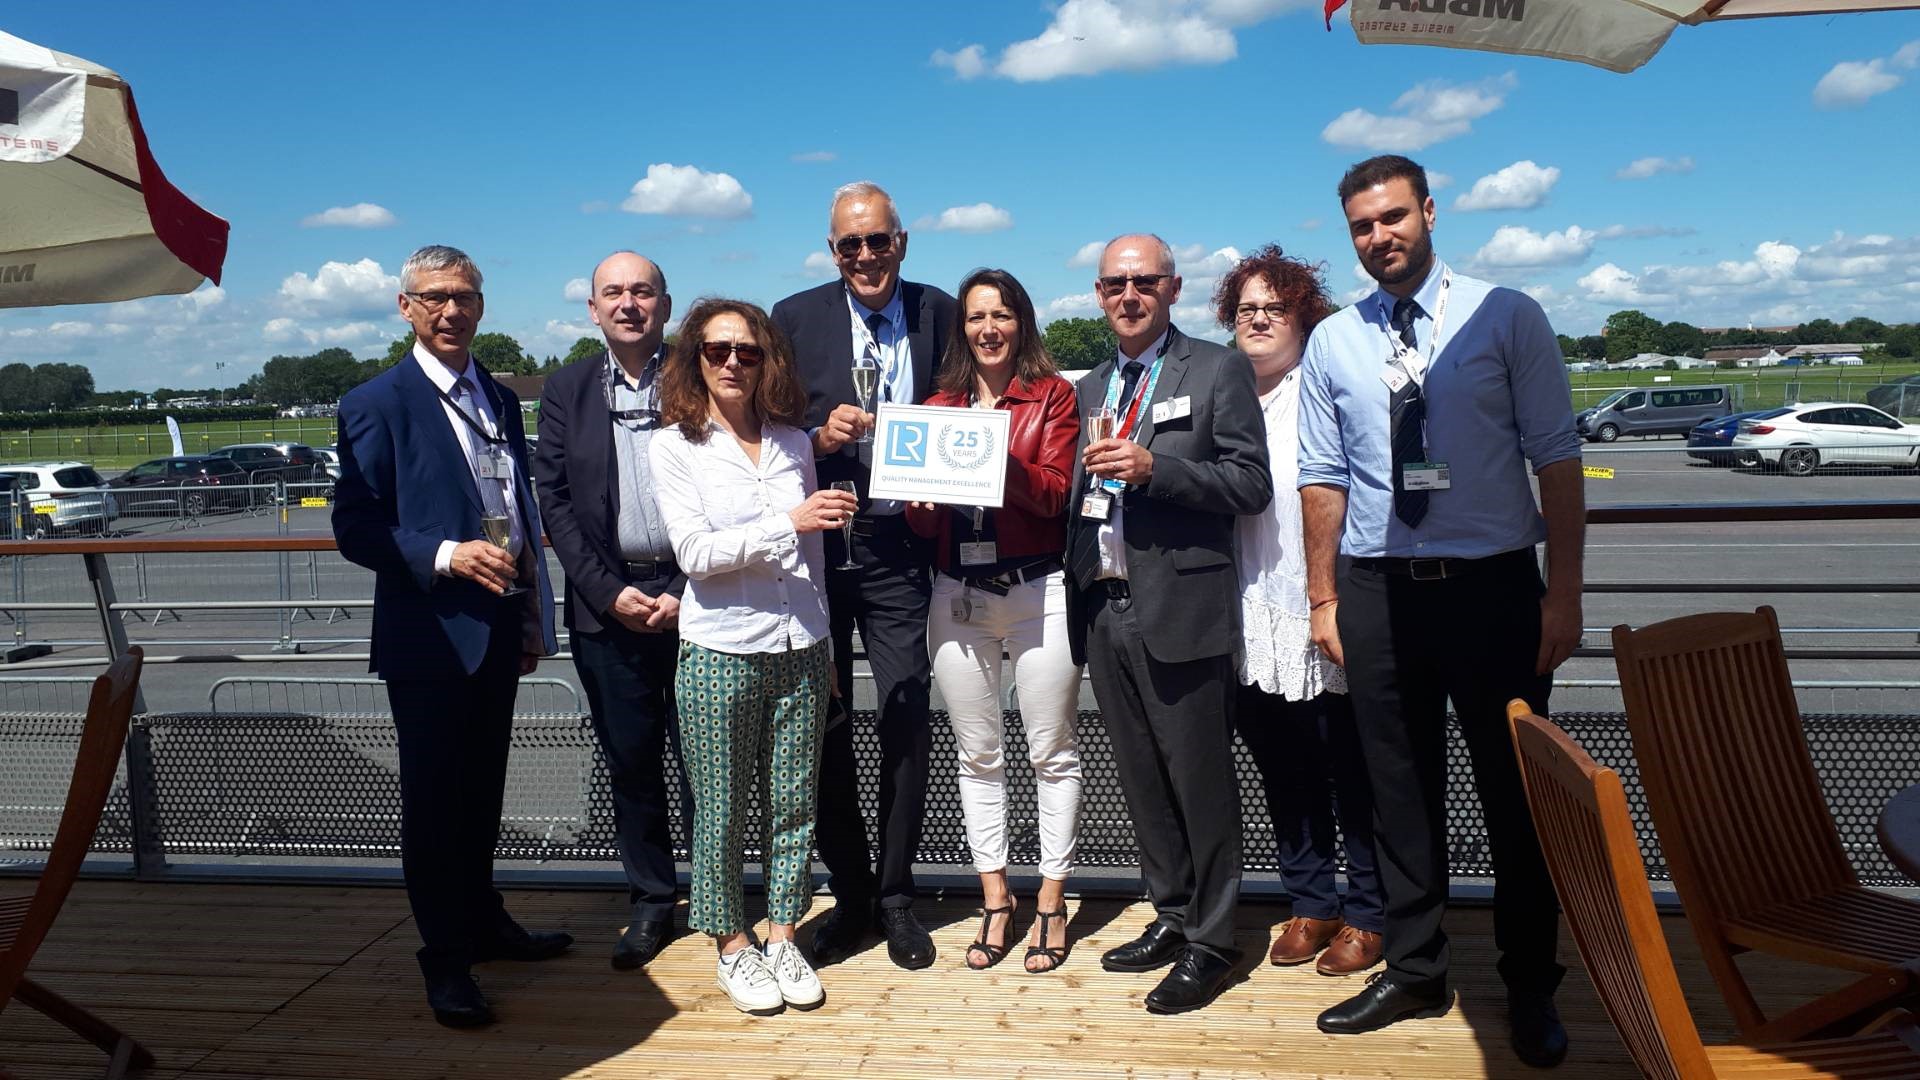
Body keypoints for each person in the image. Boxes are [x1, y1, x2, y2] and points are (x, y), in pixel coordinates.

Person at [1299, 155, 1584, 1069]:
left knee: (1518, 798)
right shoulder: (1334, 340)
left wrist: (1565, 592)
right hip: (1378, 591)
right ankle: (1417, 969)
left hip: (1494, 590)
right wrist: (1322, 597)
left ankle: (1531, 983)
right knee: (1399, 796)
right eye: (1362, 226)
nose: (1379, 236)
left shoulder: (1506, 316)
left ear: (1428, 211)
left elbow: (1558, 458)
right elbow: (1321, 479)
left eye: (1393, 217)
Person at [333, 244, 565, 1029]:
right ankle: (445, 958)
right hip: (429, 636)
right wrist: (444, 555)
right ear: (406, 307)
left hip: (496, 625)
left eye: (464, 296)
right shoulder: (377, 402)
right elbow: (356, 526)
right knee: (435, 803)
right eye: (433, 297)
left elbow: (516, 508)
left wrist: (529, 616)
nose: (450, 310)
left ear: (481, 305)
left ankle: (483, 920)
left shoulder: (496, 396)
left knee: (481, 792)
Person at [1063, 234, 1271, 1013]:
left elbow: (1250, 483)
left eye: (1144, 282)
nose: (1129, 295)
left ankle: (1213, 942)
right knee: (1143, 779)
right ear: (1098, 293)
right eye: (1115, 284)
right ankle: (1174, 914)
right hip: (1106, 603)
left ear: (1173, 288)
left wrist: (1160, 470)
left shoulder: (1217, 369)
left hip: (1182, 608)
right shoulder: (1090, 386)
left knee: (1200, 780)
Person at [648, 297, 856, 1016]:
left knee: (795, 803)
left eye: (748, 351)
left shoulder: (793, 442)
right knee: (722, 809)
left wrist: (825, 640)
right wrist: (786, 522)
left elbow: (815, 558)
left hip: (801, 644)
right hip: (722, 647)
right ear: (695, 360)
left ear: (768, 361)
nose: (733, 362)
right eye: (718, 350)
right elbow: (696, 555)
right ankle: (732, 944)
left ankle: (783, 934)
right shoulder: (674, 446)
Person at [771, 181, 957, 970]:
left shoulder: (941, 311)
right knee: (822, 723)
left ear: (901, 242)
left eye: (878, 240)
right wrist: (817, 435)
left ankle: (897, 896)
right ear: (832, 251)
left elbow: (971, 410)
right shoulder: (791, 318)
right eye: (851, 244)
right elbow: (763, 422)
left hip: (900, 547)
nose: (866, 255)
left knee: (906, 712)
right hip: (819, 548)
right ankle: (851, 895)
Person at [904, 268, 1082, 973]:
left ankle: (1052, 901)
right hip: (959, 594)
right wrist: (920, 504)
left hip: (1039, 591)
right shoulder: (937, 405)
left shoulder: (1053, 395)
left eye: (1001, 315)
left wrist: (988, 454)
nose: (988, 329)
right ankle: (997, 899)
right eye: (976, 317)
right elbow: (923, 525)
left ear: (1021, 323)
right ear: (962, 329)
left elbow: (1055, 496)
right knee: (977, 755)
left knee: (1052, 753)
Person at [1214, 247, 1385, 978]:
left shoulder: (1323, 389)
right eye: (1246, 308)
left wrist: (1333, 597)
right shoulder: (1222, 394)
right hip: (1246, 611)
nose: (1258, 319)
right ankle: (1311, 900)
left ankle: (1370, 912)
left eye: (1274, 308)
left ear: (1303, 317)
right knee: (1284, 769)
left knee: (1352, 769)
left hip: (1318, 602)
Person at [532, 251, 696, 971]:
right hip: (609, 608)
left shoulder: (700, 374)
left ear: (666, 304)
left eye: (643, 291)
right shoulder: (567, 389)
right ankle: (653, 900)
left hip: (698, 599)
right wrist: (605, 591)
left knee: (708, 765)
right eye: (614, 293)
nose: (629, 303)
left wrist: (687, 586)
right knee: (632, 763)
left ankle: (718, 897)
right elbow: (555, 500)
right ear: (593, 309)